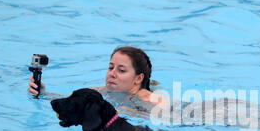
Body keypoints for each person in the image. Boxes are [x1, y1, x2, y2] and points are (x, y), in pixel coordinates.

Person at [28, 46, 165, 110]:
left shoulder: (152, 100)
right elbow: (70, 99)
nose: (112, 74)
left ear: (138, 78)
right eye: (111, 67)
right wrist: (43, 93)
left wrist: (131, 114)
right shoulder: (102, 91)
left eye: (121, 70)